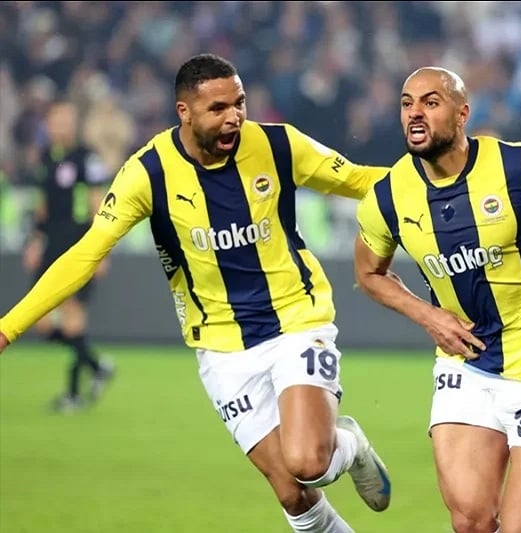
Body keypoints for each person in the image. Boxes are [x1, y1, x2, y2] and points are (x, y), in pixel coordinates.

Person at [0, 53, 391, 532]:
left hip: (296, 320)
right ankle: (340, 450)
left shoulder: (277, 144)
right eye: (218, 108)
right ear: (184, 112)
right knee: (293, 493)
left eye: (239, 103)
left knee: (309, 461)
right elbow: (86, 253)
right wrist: (8, 328)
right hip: (220, 348)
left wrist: (440, 178)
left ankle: (348, 446)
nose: (234, 117)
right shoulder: (149, 172)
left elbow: (359, 179)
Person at [354, 67, 521, 533]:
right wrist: (428, 316)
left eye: (431, 102)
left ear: (462, 114)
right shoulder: (388, 197)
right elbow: (369, 273)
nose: (415, 113)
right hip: (466, 361)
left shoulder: (520, 166)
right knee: (471, 522)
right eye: (407, 103)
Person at [22, 99, 115, 413]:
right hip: (51, 246)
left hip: (79, 246)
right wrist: (35, 240)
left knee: (74, 316)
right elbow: (42, 205)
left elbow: (98, 205)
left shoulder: (87, 157)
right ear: (47, 124)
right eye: (56, 120)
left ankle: (74, 394)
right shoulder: (45, 158)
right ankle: (96, 365)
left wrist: (101, 251)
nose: (62, 125)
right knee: (42, 322)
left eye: (67, 119)